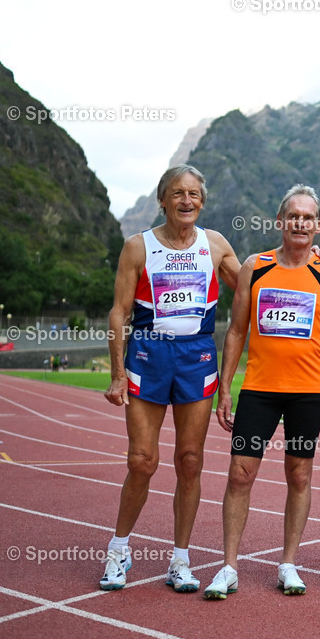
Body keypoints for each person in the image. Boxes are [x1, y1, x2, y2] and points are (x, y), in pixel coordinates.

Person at [100, 165, 240, 592]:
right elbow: (119, 312)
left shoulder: (214, 244)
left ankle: (180, 560)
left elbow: (257, 283)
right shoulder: (137, 247)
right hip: (148, 355)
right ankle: (118, 550)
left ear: (202, 200)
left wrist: (305, 261)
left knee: (190, 461)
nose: (186, 201)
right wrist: (117, 372)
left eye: (194, 194)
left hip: (196, 357)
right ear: (162, 199)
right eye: (177, 193)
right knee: (142, 461)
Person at [204, 185, 320, 599]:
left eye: (308, 217)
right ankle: (229, 566)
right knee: (240, 474)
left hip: (308, 392)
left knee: (299, 475)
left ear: (318, 225)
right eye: (293, 216)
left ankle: (288, 564)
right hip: (259, 390)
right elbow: (236, 330)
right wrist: (225, 388)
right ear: (280, 222)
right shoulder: (255, 266)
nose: (300, 223)